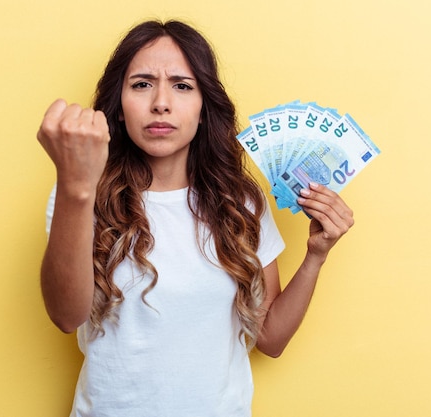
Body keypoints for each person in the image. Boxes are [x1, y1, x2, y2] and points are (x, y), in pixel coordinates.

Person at [37, 19, 354, 417]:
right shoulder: (79, 194)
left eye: (182, 86)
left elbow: (270, 339)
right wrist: (75, 186)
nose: (161, 103)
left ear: (204, 109)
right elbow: (66, 317)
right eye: (142, 84)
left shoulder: (241, 202)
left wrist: (316, 255)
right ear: (117, 109)